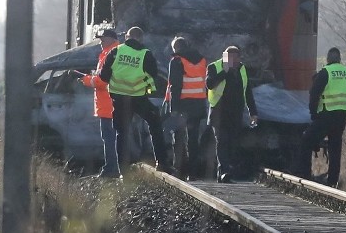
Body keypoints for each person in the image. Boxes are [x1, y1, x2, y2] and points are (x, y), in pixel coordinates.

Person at [99, 26, 174, 175]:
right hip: (139, 98)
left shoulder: (115, 52)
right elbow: (153, 74)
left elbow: (104, 77)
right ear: (141, 38)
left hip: (119, 99)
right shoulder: (146, 54)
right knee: (155, 124)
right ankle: (162, 162)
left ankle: (123, 172)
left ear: (127, 37)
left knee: (122, 133)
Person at [297, 47, 346, 188]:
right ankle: (333, 181)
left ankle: (305, 176)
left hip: (325, 115)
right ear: (340, 59)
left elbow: (314, 94)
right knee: (335, 147)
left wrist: (313, 114)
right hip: (341, 116)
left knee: (306, 141)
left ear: (328, 59)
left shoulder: (325, 73)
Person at [206, 45, 258, 183]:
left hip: (235, 112)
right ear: (224, 57)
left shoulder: (242, 69)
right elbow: (209, 84)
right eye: (230, 57)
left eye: (236, 57)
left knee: (233, 143)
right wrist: (225, 71)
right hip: (218, 112)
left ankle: (226, 171)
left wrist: (253, 112)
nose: (233, 60)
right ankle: (224, 171)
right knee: (222, 142)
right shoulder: (214, 67)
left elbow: (247, 92)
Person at [164, 36, 209, 179]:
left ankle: (178, 170)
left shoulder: (176, 61)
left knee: (178, 137)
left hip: (182, 105)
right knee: (193, 139)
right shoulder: (202, 60)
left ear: (175, 48)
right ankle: (193, 172)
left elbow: (175, 86)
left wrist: (173, 108)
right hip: (198, 103)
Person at [79, 28, 120, 178]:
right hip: (112, 103)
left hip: (109, 104)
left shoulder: (111, 54)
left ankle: (111, 169)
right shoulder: (111, 53)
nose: (100, 42)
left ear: (110, 39)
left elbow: (103, 81)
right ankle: (113, 168)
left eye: (102, 39)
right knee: (112, 138)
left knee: (109, 139)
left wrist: (86, 80)